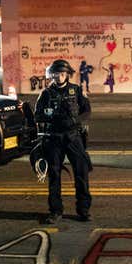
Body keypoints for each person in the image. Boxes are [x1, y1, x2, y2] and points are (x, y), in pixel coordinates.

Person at [35, 59, 92, 224]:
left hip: (74, 137)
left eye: (62, 74)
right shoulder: (46, 94)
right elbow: (37, 115)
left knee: (81, 173)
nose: (59, 77)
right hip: (54, 139)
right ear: (52, 75)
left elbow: (87, 111)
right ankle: (55, 211)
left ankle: (83, 210)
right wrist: (51, 117)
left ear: (67, 74)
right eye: (56, 74)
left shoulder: (76, 90)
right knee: (54, 175)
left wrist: (76, 122)